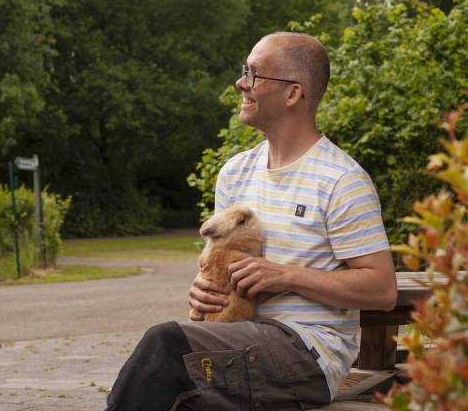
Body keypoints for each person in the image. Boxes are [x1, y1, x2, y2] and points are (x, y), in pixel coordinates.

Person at [105, 32, 397, 411]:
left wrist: (286, 276)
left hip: (309, 353)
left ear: (293, 93)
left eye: (255, 74)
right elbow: (219, 264)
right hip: (238, 336)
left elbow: (381, 289)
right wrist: (204, 291)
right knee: (176, 389)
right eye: (246, 71)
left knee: (166, 348)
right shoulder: (234, 173)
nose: (241, 83)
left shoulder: (341, 180)